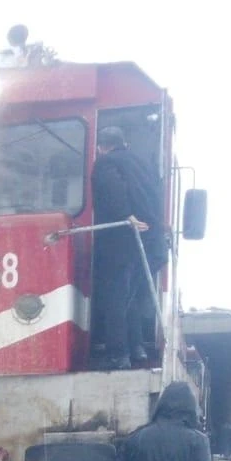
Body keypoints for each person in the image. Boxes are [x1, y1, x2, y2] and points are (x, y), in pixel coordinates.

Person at [89, 126, 164, 370]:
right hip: (150, 243)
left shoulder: (105, 163)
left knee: (115, 299)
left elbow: (112, 190)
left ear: (102, 147)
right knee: (130, 297)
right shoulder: (143, 165)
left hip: (120, 241)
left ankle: (118, 354)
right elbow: (155, 195)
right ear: (125, 143)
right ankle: (137, 348)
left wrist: (126, 216)